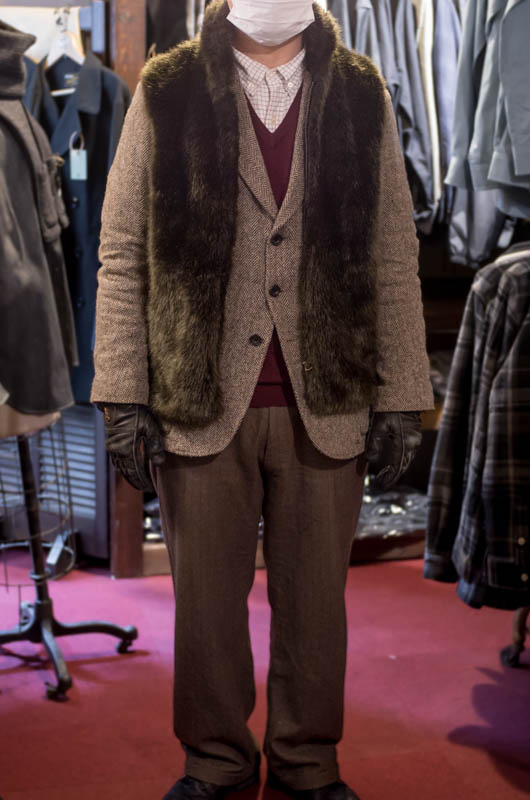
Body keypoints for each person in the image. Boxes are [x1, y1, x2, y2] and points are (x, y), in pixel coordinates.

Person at [91, 2, 434, 798]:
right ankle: (216, 760)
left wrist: (401, 395)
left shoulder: (361, 90)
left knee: (315, 604)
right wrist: (122, 394)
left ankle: (308, 761)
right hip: (200, 399)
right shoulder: (167, 87)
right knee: (206, 606)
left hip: (329, 395)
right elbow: (122, 249)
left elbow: (392, 250)